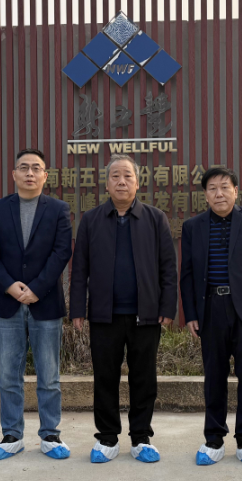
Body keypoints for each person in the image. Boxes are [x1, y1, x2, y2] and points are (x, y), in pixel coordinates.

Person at [70, 154, 178, 464]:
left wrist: (167, 307)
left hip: (146, 314)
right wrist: (77, 308)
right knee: (105, 377)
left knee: (144, 377)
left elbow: (168, 268)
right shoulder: (91, 220)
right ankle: (107, 437)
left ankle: (141, 437)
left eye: (127, 176)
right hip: (104, 315)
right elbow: (80, 268)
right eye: (115, 176)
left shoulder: (155, 218)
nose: (121, 181)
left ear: (138, 182)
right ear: (106, 184)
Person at [0, 149, 73, 460]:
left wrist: (36, 288)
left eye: (36, 168)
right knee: (9, 375)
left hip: (45, 302)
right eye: (24, 168)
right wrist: (9, 285)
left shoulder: (58, 209)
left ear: (45, 175)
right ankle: (12, 434)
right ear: (14, 174)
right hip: (6, 302)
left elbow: (61, 252)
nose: (30, 173)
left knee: (49, 375)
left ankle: (50, 434)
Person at [180, 166, 242, 466]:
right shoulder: (193, 226)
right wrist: (191, 313)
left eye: (224, 187)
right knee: (214, 377)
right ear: (205, 194)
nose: (218, 193)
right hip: (211, 309)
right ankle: (214, 439)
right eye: (212, 188)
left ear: (236, 191)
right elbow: (187, 274)